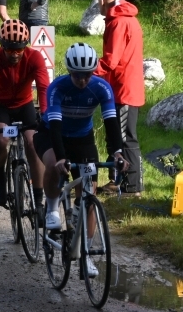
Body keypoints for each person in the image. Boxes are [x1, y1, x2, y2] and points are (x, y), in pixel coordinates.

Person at [34, 42, 127, 279]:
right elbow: (54, 126)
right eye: (77, 75)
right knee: (55, 161)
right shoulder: (57, 88)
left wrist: (117, 152)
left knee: (89, 192)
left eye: (87, 75)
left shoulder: (102, 88)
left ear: (93, 71)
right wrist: (62, 158)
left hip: (82, 139)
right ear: (69, 71)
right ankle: (53, 207)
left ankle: (86, 254)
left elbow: (111, 123)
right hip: (52, 134)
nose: (83, 80)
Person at [0, 20, 49, 211]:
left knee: (33, 143)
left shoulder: (35, 58)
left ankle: (39, 197)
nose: (15, 54)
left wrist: (46, 115)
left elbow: (43, 88)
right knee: (0, 140)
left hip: (24, 104)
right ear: (2, 46)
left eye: (19, 49)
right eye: (10, 50)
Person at [93, 0, 145, 196]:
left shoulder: (118, 22)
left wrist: (87, 71)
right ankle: (117, 180)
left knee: (124, 138)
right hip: (124, 86)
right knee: (116, 136)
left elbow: (111, 61)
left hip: (124, 88)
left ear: (103, 2)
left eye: (99, 2)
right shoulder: (126, 18)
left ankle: (132, 186)